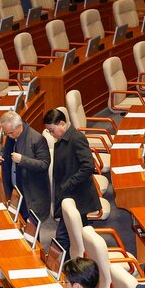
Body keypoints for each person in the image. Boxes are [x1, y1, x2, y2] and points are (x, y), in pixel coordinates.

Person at [45, 108, 99, 252]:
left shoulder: (76, 138)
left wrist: (68, 184)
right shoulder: (62, 140)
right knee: (80, 234)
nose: (51, 134)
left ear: (62, 124)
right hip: (68, 193)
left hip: (77, 195)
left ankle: (58, 267)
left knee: (63, 236)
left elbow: (88, 166)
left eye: (51, 130)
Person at [0, 110, 50, 225]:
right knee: (19, 224)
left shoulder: (37, 139)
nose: (8, 136)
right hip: (16, 192)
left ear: (19, 126)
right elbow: (5, 151)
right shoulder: (12, 135)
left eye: (10, 133)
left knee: (31, 230)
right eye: (6, 133)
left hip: (31, 194)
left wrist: (22, 160)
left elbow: (44, 164)